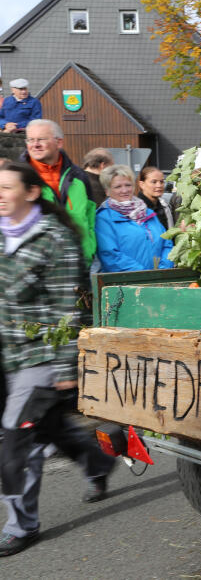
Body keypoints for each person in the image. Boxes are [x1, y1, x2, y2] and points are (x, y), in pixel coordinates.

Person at [0, 161, 116, 556]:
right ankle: (98, 462)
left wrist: (67, 368)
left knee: (17, 438)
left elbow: (67, 309)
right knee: (48, 428)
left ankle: (21, 526)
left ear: (31, 192)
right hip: (7, 354)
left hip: (40, 355)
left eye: (7, 187)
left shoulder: (54, 240)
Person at [20, 119, 96, 263]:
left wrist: (90, 249)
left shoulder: (79, 176)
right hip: (36, 267)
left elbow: (90, 216)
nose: (35, 145)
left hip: (79, 263)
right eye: (30, 140)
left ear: (59, 143)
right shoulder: (17, 177)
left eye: (41, 139)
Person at [95, 165, 174, 272]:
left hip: (157, 281)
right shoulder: (103, 218)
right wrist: (143, 274)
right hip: (124, 284)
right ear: (107, 191)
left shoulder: (148, 213)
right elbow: (110, 255)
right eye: (118, 187)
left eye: (128, 185)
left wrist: (162, 269)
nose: (124, 190)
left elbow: (167, 243)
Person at [136, 166, 175, 231]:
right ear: (142, 184)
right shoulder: (136, 210)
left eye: (161, 182)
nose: (159, 185)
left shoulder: (164, 206)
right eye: (154, 182)